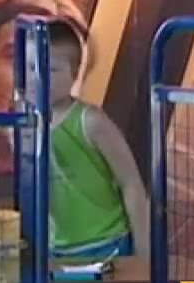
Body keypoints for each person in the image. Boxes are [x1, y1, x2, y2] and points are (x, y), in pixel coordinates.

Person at [42, 21, 149, 259]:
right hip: (55, 251)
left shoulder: (90, 121)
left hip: (106, 245)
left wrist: (144, 256)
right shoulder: (24, 125)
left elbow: (131, 183)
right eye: (31, 67)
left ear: (74, 73)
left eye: (51, 69)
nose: (39, 76)